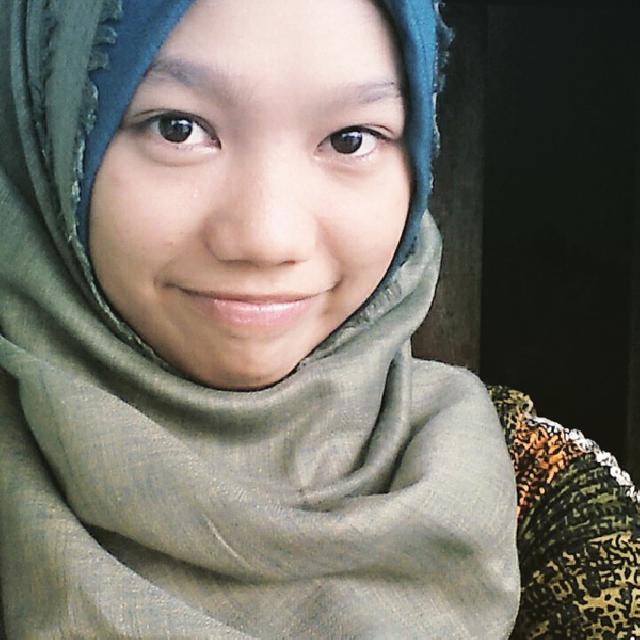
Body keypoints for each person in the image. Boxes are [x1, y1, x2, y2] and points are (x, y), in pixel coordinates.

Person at [0, 0, 637, 638]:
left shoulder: (549, 507)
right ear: (49, 130)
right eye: (177, 128)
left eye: (350, 138)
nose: (266, 238)